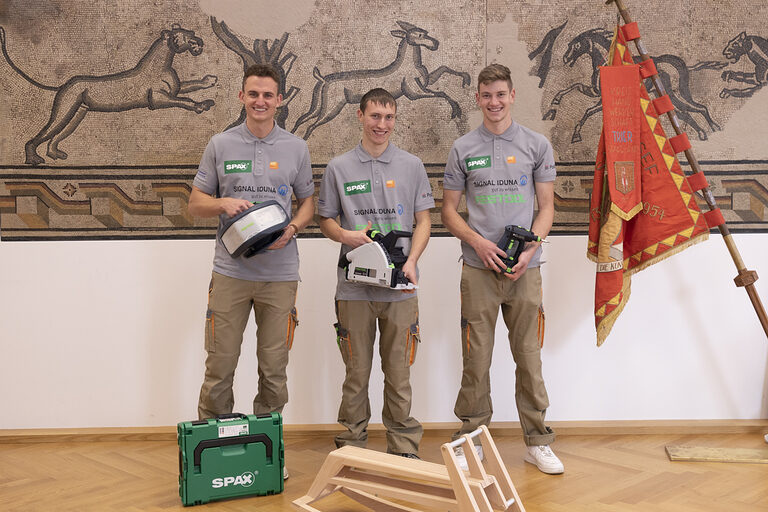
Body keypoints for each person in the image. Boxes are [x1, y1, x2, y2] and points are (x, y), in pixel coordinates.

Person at [188, 64, 315, 478]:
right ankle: (210, 455)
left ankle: (268, 455)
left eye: (268, 95)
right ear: (241, 96)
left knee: (273, 369)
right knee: (219, 365)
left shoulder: (296, 148)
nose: (261, 102)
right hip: (230, 273)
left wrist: (294, 227)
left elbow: (309, 202)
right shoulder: (220, 144)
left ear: (280, 99)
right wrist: (220, 204)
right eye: (253, 94)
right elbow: (195, 202)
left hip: (280, 275)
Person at [441, 64, 563, 474]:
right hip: (478, 269)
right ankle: (471, 438)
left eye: (501, 95)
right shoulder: (463, 148)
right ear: (477, 98)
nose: (494, 102)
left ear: (512, 96)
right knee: (476, 356)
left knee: (528, 356)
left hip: (526, 269)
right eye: (486, 95)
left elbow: (546, 208)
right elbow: (448, 211)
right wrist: (477, 242)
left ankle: (538, 441)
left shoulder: (536, 144)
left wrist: (531, 249)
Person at [317, 88, 434, 459]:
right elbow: (325, 219)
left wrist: (413, 260)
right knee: (356, 374)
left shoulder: (412, 166)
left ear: (395, 120)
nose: (381, 125)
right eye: (375, 116)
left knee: (399, 374)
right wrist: (345, 235)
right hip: (354, 289)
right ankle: (352, 448)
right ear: (360, 116)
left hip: (401, 288)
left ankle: (403, 448)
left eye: (388, 117)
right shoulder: (338, 167)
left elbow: (424, 221)